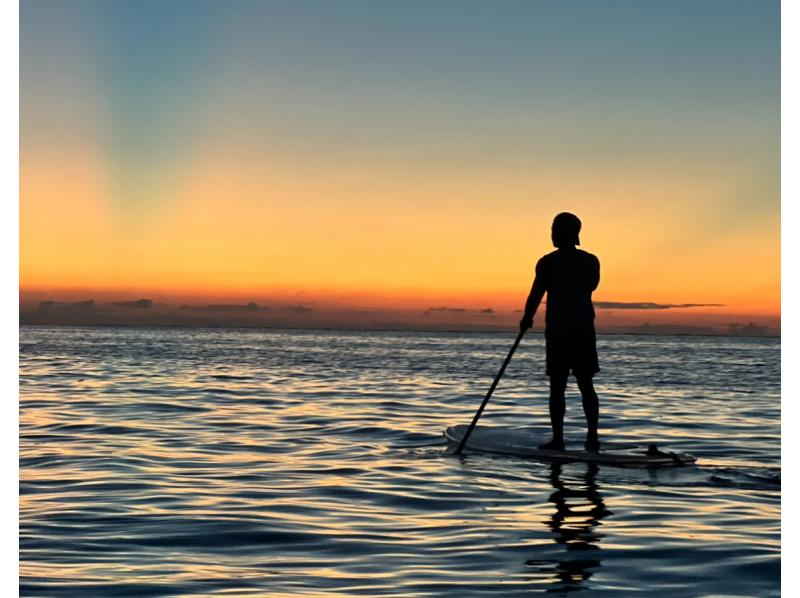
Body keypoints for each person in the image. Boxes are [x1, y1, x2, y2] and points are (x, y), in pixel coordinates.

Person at [519, 212, 601, 452]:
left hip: (560, 330)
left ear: (564, 233)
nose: (552, 234)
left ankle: (558, 440)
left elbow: (536, 293)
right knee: (585, 383)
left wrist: (527, 318)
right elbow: (592, 286)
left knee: (558, 386)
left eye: (554, 229)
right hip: (583, 328)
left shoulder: (548, 262)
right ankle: (592, 439)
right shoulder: (591, 261)